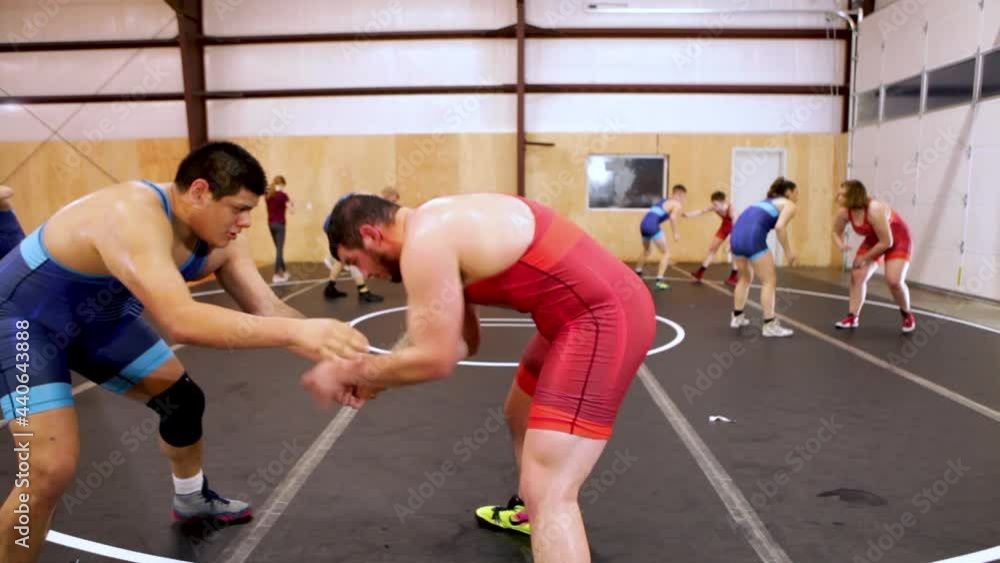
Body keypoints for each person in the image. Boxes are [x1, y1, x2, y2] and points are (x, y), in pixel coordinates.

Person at [0, 143, 369, 563]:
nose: (247, 222)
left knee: (182, 402)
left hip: (99, 321)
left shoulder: (224, 239)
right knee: (49, 470)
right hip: (25, 324)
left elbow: (268, 309)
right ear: (198, 192)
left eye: (252, 210)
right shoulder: (131, 215)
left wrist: (339, 357)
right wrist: (298, 334)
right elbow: (182, 321)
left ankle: (191, 499)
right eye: (238, 209)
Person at [305, 193, 655, 563]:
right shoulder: (437, 227)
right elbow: (462, 340)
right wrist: (375, 378)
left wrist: (348, 370)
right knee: (518, 412)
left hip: (601, 320)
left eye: (354, 262)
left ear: (371, 234)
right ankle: (528, 516)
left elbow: (436, 359)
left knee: (550, 492)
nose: (366, 275)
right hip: (570, 320)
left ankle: (543, 514)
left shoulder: (426, 242)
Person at [831, 180, 916, 333]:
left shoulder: (874, 209)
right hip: (875, 240)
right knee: (857, 276)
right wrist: (840, 244)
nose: (838, 196)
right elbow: (835, 232)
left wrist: (864, 257)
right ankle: (852, 317)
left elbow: (887, 242)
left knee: (894, 281)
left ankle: (907, 314)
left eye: (843, 194)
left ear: (854, 196)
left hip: (897, 239)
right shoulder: (844, 212)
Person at [729, 176, 799, 337]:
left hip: (736, 238)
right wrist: (788, 252)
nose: (798, 196)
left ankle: (737, 318)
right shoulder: (789, 204)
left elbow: (742, 220)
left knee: (744, 278)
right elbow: (780, 227)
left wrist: (732, 243)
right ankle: (770, 325)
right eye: (797, 192)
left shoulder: (760, 202)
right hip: (752, 239)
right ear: (788, 192)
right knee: (769, 281)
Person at [635, 184, 687, 290]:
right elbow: (672, 217)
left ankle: (637, 272)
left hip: (644, 224)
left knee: (646, 251)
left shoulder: (665, 200)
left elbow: (661, 213)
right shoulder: (677, 204)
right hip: (653, 226)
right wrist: (675, 233)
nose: (683, 199)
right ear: (680, 195)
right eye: (683, 196)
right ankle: (659, 281)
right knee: (666, 253)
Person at [685, 191, 739, 286]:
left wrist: (730, 243)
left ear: (723, 203)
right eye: (713, 204)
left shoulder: (732, 210)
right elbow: (701, 211)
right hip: (725, 227)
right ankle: (700, 273)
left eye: (716, 204)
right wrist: (688, 215)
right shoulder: (714, 207)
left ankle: (733, 277)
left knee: (734, 252)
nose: (714, 206)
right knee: (712, 249)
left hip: (736, 229)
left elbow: (735, 227)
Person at [265, 175, 294, 283]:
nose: (283, 188)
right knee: (279, 250)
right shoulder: (283, 195)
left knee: (278, 249)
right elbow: (291, 211)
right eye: (283, 185)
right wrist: (292, 204)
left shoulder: (268, 194)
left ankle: (285, 272)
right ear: (281, 184)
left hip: (271, 224)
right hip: (280, 225)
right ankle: (276, 275)